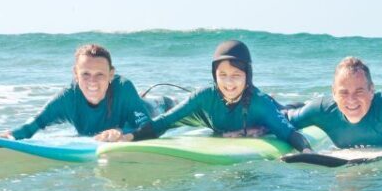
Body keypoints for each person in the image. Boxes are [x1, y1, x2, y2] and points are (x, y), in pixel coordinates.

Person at [120, 40, 312, 152]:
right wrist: (130, 137)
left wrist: (307, 151)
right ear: (214, 75)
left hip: (270, 110)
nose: (229, 83)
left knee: (287, 113)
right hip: (234, 122)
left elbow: (288, 133)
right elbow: (165, 121)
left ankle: (301, 105)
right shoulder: (204, 96)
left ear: (248, 76)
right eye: (223, 75)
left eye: (236, 75)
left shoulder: (259, 102)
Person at [0, 44, 152, 142]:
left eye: (100, 74)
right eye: (85, 74)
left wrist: (121, 131)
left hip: (151, 109)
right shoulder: (68, 98)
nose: (92, 81)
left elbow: (147, 126)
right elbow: (37, 122)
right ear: (75, 74)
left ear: (111, 74)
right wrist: (12, 136)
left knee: (157, 105)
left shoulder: (124, 88)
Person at [287, 57, 382, 148]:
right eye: (344, 92)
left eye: (359, 91)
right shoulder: (322, 110)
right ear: (333, 93)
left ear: (371, 90)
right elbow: (285, 117)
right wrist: (264, 127)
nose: (351, 100)